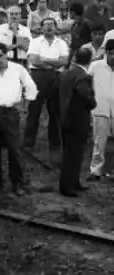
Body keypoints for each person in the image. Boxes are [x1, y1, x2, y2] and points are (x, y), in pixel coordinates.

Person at [0, 42, 39, 196]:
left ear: (6, 55)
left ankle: (16, 183)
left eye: (1, 56)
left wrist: (24, 107)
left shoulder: (18, 69)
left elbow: (31, 88)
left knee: (14, 150)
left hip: (11, 113)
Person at [24, 17, 69, 150]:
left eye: (51, 25)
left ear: (56, 28)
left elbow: (64, 62)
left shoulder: (62, 43)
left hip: (57, 77)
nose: (49, 27)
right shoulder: (35, 41)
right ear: (41, 28)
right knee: (34, 110)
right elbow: (34, 60)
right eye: (46, 25)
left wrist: (45, 60)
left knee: (55, 112)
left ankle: (55, 143)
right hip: (38, 77)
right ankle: (28, 142)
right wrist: (52, 63)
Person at [58, 48, 95, 197]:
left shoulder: (66, 73)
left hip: (66, 118)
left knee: (72, 153)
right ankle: (67, 186)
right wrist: (93, 103)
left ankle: (73, 182)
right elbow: (85, 95)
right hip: (78, 120)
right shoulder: (83, 76)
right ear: (89, 61)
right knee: (74, 154)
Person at [87, 40, 114, 182]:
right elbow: (86, 81)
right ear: (106, 53)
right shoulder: (96, 66)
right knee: (99, 141)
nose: (113, 56)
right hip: (100, 108)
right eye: (111, 53)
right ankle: (95, 171)